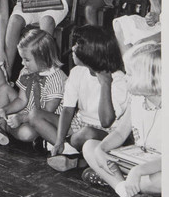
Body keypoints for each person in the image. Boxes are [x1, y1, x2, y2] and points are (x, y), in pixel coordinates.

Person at [30, 25, 129, 172]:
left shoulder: (118, 80)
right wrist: (59, 140)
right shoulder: (77, 72)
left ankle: (76, 156)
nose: (73, 48)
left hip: (106, 133)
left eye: (78, 45)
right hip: (79, 123)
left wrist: (105, 84)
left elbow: (106, 121)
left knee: (84, 134)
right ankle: (68, 151)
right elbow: (68, 109)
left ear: (91, 52)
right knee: (35, 115)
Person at [82, 42, 161, 197]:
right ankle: (127, 192)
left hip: (156, 168)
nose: (125, 77)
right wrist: (102, 150)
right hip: (136, 162)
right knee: (90, 147)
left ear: (149, 78)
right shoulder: (137, 99)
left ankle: (119, 182)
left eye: (130, 74)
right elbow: (119, 133)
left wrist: (138, 171)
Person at [0, 29, 67, 147]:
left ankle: (4, 127)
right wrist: (5, 110)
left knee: (26, 133)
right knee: (3, 89)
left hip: (43, 120)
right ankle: (1, 122)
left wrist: (21, 118)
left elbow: (47, 112)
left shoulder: (56, 78)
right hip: (26, 111)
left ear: (42, 57)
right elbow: (21, 100)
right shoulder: (27, 70)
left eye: (26, 59)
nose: (22, 63)